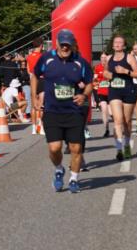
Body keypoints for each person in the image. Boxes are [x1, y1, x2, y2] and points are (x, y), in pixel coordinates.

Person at [30, 29, 93, 193]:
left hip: (74, 111)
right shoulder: (46, 59)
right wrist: (34, 97)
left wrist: (84, 95)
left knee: (76, 148)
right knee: (54, 148)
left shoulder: (80, 62)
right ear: (57, 43)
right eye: (63, 44)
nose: (65, 48)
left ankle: (74, 179)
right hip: (52, 111)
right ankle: (59, 169)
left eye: (68, 45)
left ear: (72, 45)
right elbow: (34, 75)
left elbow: (89, 83)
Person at [104, 34, 137, 160]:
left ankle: (127, 145)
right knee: (118, 120)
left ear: (124, 46)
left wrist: (125, 71)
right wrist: (109, 75)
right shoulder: (109, 58)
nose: (118, 44)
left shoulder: (129, 57)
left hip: (128, 91)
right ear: (113, 45)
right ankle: (119, 149)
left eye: (120, 42)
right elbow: (105, 72)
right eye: (116, 42)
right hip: (114, 91)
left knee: (127, 121)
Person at [93, 53, 112, 137]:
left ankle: (118, 126)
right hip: (101, 92)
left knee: (111, 113)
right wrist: (95, 82)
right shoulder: (97, 67)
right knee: (104, 110)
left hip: (111, 92)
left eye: (105, 57)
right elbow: (95, 78)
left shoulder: (111, 67)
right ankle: (106, 129)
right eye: (102, 57)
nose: (103, 59)